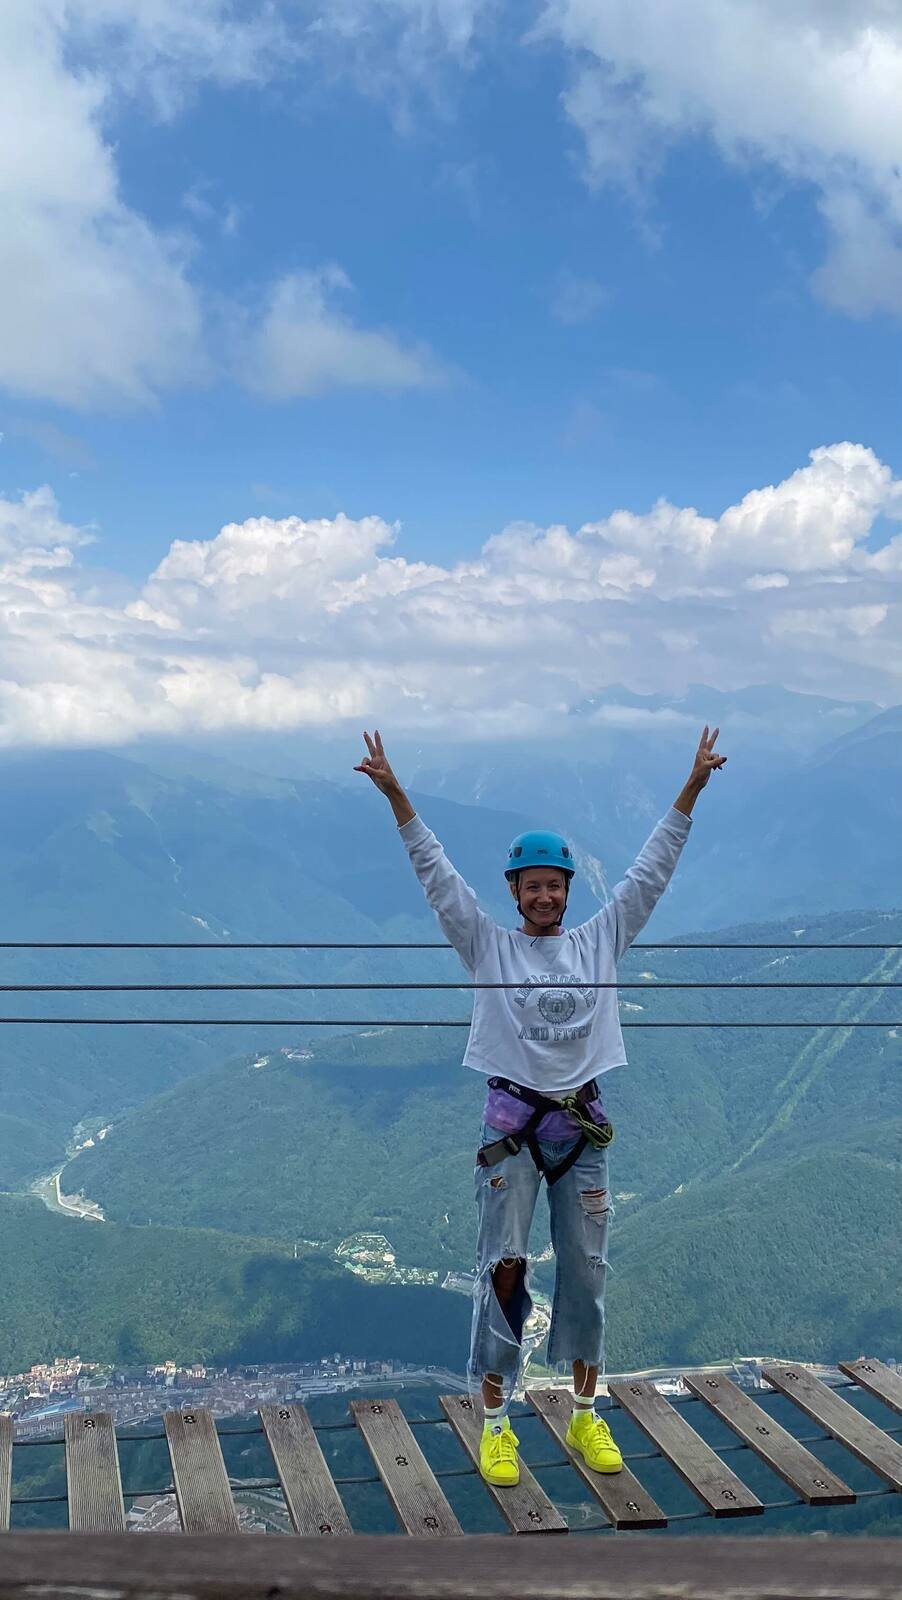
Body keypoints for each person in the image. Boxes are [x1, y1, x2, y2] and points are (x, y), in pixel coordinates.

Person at [355, 725, 726, 1488]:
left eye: (556, 884)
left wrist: (690, 790)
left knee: (586, 1275)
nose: (547, 895)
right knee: (505, 1274)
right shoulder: (488, 947)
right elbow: (438, 879)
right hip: (512, 1136)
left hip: (579, 1133)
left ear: (567, 890)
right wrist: (397, 796)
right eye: (534, 886)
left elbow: (650, 873)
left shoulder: (602, 939)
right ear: (515, 894)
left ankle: (586, 1417)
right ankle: (497, 1428)